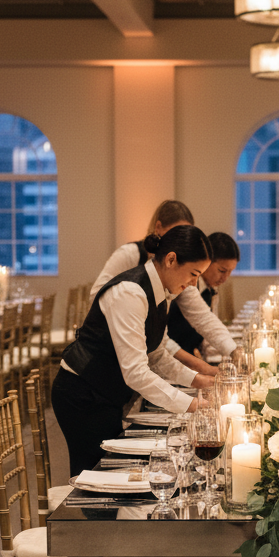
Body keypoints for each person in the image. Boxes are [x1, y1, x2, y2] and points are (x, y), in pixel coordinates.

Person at [53, 225, 217, 476]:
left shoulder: (160, 291)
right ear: (171, 259)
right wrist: (193, 405)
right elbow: (136, 373)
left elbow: (157, 355)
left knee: (110, 471)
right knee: (95, 476)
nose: (194, 283)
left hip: (105, 392)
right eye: (194, 274)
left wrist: (199, 380)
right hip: (82, 393)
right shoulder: (130, 292)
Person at [93, 200, 239, 374]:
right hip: (110, 349)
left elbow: (202, 318)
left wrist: (233, 351)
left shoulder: (181, 273)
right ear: (158, 227)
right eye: (176, 233)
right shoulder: (131, 256)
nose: (181, 242)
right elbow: (97, 297)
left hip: (152, 360)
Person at [168, 232, 240, 356]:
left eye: (230, 272)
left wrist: (233, 350)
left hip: (190, 358)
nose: (225, 278)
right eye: (222, 271)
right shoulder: (184, 283)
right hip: (173, 357)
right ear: (207, 261)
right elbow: (203, 319)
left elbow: (209, 326)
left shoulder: (211, 290)